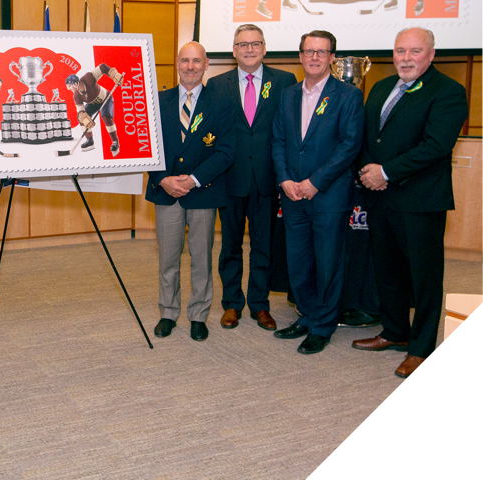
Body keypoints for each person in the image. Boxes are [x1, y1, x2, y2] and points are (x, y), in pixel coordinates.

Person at [352, 27, 467, 378]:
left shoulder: (448, 91)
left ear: (431, 55)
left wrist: (385, 171)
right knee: (388, 272)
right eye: (400, 51)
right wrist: (369, 171)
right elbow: (367, 137)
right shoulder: (382, 87)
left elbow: (436, 146)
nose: (406, 58)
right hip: (381, 197)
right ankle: (395, 332)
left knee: (424, 277)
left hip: (420, 200)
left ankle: (421, 347)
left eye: (415, 51)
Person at [271, 30, 364, 354]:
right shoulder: (288, 95)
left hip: (327, 196)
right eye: (309, 51)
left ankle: (323, 326)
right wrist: (284, 180)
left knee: (328, 264)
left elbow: (349, 145)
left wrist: (315, 182)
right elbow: (279, 140)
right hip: (292, 195)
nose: (314, 57)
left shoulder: (348, 96)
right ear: (300, 56)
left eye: (321, 52)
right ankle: (307, 316)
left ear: (332, 58)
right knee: (298, 263)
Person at [145, 42, 235, 342]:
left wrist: (193, 179)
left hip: (203, 192)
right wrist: (162, 179)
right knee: (168, 258)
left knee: (202, 259)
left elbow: (225, 152)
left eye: (197, 61)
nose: (190, 67)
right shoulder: (158, 101)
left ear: (207, 64)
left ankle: (198, 315)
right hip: (167, 191)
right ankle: (168, 313)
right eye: (185, 61)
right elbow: (147, 147)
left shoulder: (221, 102)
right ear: (176, 63)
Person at [210, 24, 296, 331]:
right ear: (234, 50)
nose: (249, 49)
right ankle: (232, 304)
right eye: (242, 44)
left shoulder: (285, 81)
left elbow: (289, 131)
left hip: (266, 179)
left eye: (255, 43)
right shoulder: (217, 85)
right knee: (230, 246)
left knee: (263, 246)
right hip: (229, 179)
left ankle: (260, 305)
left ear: (264, 48)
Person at [65, 63, 124, 155]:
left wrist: (114, 74)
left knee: (106, 117)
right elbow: (80, 110)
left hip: (106, 99)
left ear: (75, 83)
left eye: (70, 86)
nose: (69, 89)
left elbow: (103, 67)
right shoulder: (76, 95)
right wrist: (84, 118)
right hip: (93, 104)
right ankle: (90, 140)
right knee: (82, 118)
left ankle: (115, 141)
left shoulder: (88, 78)